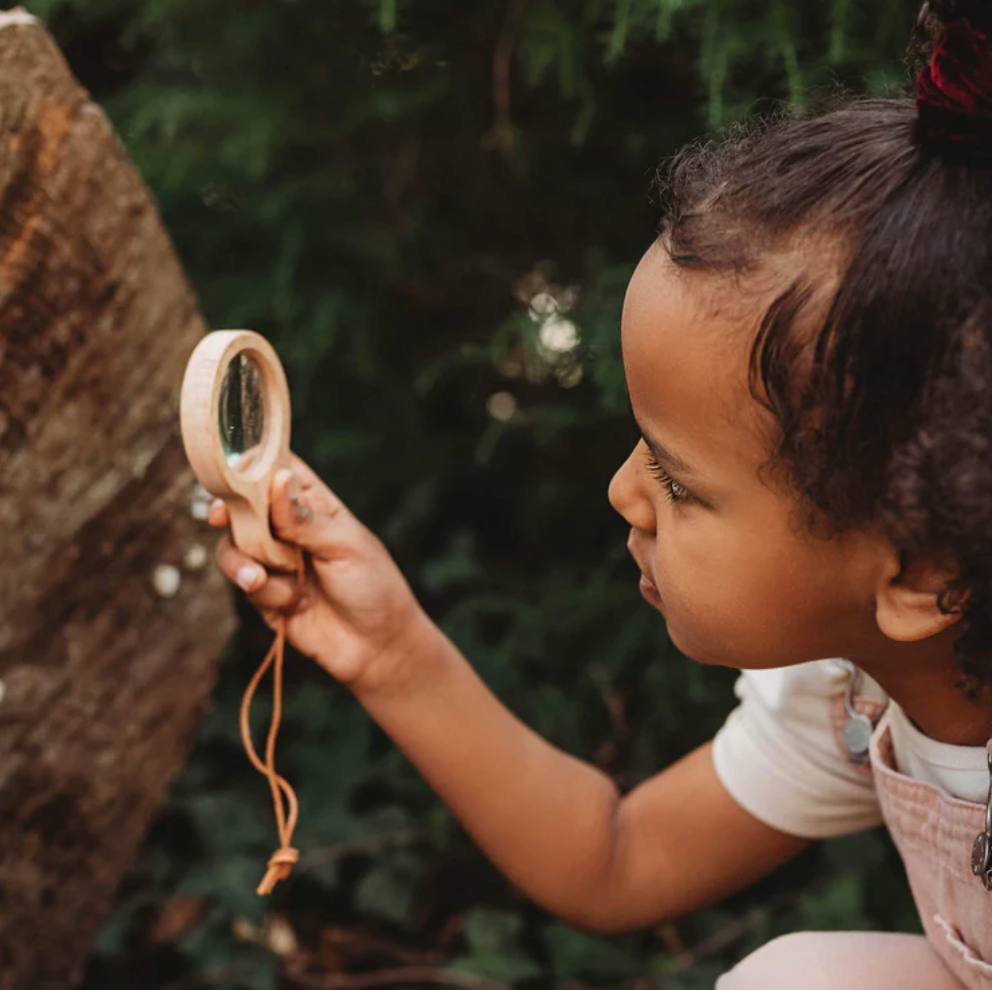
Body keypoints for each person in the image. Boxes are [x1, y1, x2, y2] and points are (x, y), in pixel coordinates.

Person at [208, 2, 992, 985]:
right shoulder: (848, 691)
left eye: (679, 479)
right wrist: (390, 652)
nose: (623, 491)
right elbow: (619, 857)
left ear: (922, 573)